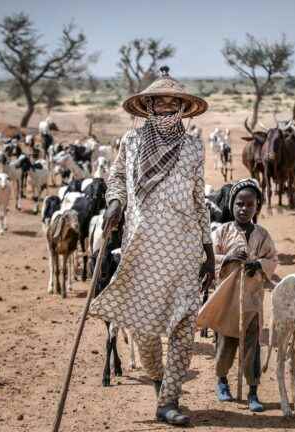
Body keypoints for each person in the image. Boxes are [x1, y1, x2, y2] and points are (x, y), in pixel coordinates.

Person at [90, 66, 213, 427]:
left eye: (171, 103)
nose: (164, 107)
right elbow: (115, 178)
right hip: (140, 250)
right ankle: (160, 384)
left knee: (183, 327)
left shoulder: (192, 147)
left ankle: (169, 400)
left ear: (181, 108)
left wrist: (208, 250)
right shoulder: (130, 143)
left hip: (184, 250)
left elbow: (199, 199)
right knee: (142, 330)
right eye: (157, 102)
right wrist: (115, 203)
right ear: (147, 107)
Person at [196, 178, 278, 412]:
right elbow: (208, 260)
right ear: (232, 204)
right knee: (225, 343)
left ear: (256, 207)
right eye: (240, 204)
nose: (244, 209)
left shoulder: (262, 235)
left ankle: (252, 391)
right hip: (227, 300)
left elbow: (273, 260)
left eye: (250, 205)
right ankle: (222, 381)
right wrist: (228, 258)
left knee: (252, 346)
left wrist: (259, 265)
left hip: (251, 300)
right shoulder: (222, 232)